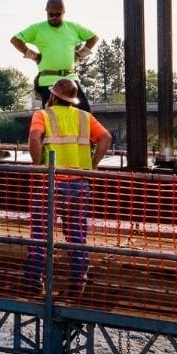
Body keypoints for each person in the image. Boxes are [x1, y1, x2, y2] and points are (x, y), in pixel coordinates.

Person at [22, 78, 111, 299]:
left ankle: (33, 281)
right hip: (80, 183)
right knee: (77, 235)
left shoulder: (42, 115)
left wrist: (36, 165)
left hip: (51, 183)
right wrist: (92, 166)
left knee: (41, 234)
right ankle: (77, 282)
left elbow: (34, 137)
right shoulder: (84, 117)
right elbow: (105, 138)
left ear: (52, 96)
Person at [10, 0, 99, 112]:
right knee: (51, 117)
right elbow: (15, 40)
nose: (54, 18)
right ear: (46, 11)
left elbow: (93, 37)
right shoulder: (37, 28)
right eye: (51, 14)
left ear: (64, 12)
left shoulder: (73, 27)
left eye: (58, 14)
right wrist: (34, 56)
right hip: (48, 81)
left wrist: (79, 55)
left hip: (71, 79)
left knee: (85, 113)